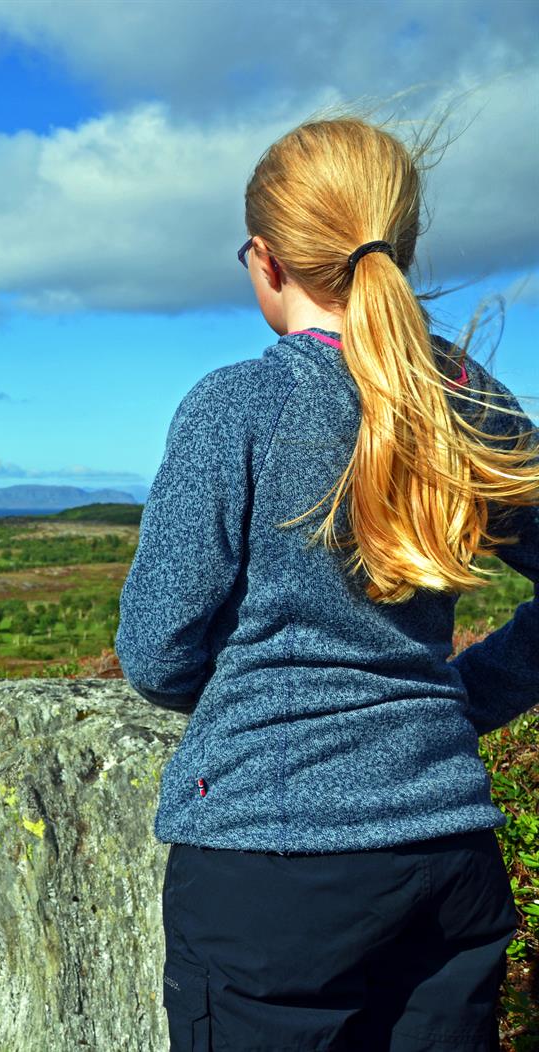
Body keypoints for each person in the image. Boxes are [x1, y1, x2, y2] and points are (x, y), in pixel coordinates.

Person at [114, 114, 539, 1051]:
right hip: (448, 855)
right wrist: (458, 701)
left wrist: (249, 707)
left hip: (269, 868)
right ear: (401, 243)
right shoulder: (464, 398)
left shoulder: (238, 405)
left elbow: (153, 649)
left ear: (266, 260)